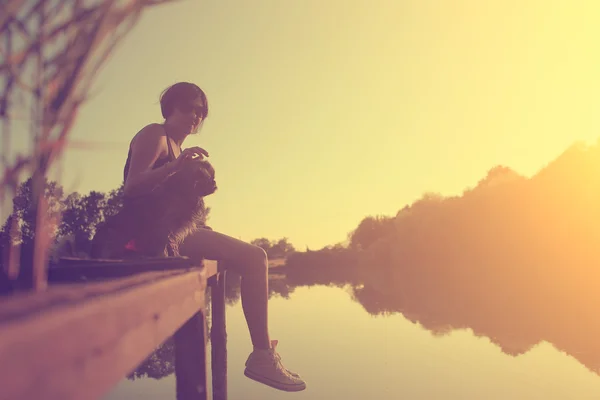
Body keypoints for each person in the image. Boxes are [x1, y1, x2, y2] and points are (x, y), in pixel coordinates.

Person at [122, 81, 306, 392]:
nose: (196, 116)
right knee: (255, 258)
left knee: (249, 254)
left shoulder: (179, 148)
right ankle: (262, 356)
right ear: (170, 108)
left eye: (201, 112)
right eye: (189, 108)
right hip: (153, 233)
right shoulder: (156, 134)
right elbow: (131, 187)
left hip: (179, 230)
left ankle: (262, 354)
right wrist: (176, 167)